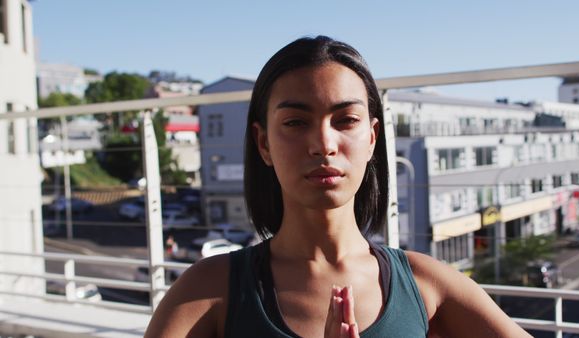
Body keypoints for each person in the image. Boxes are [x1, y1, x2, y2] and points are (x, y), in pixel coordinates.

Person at [145, 36, 532, 338]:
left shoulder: (428, 283)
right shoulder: (208, 290)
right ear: (263, 143)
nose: (324, 144)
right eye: (296, 122)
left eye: (346, 120)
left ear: (372, 138)